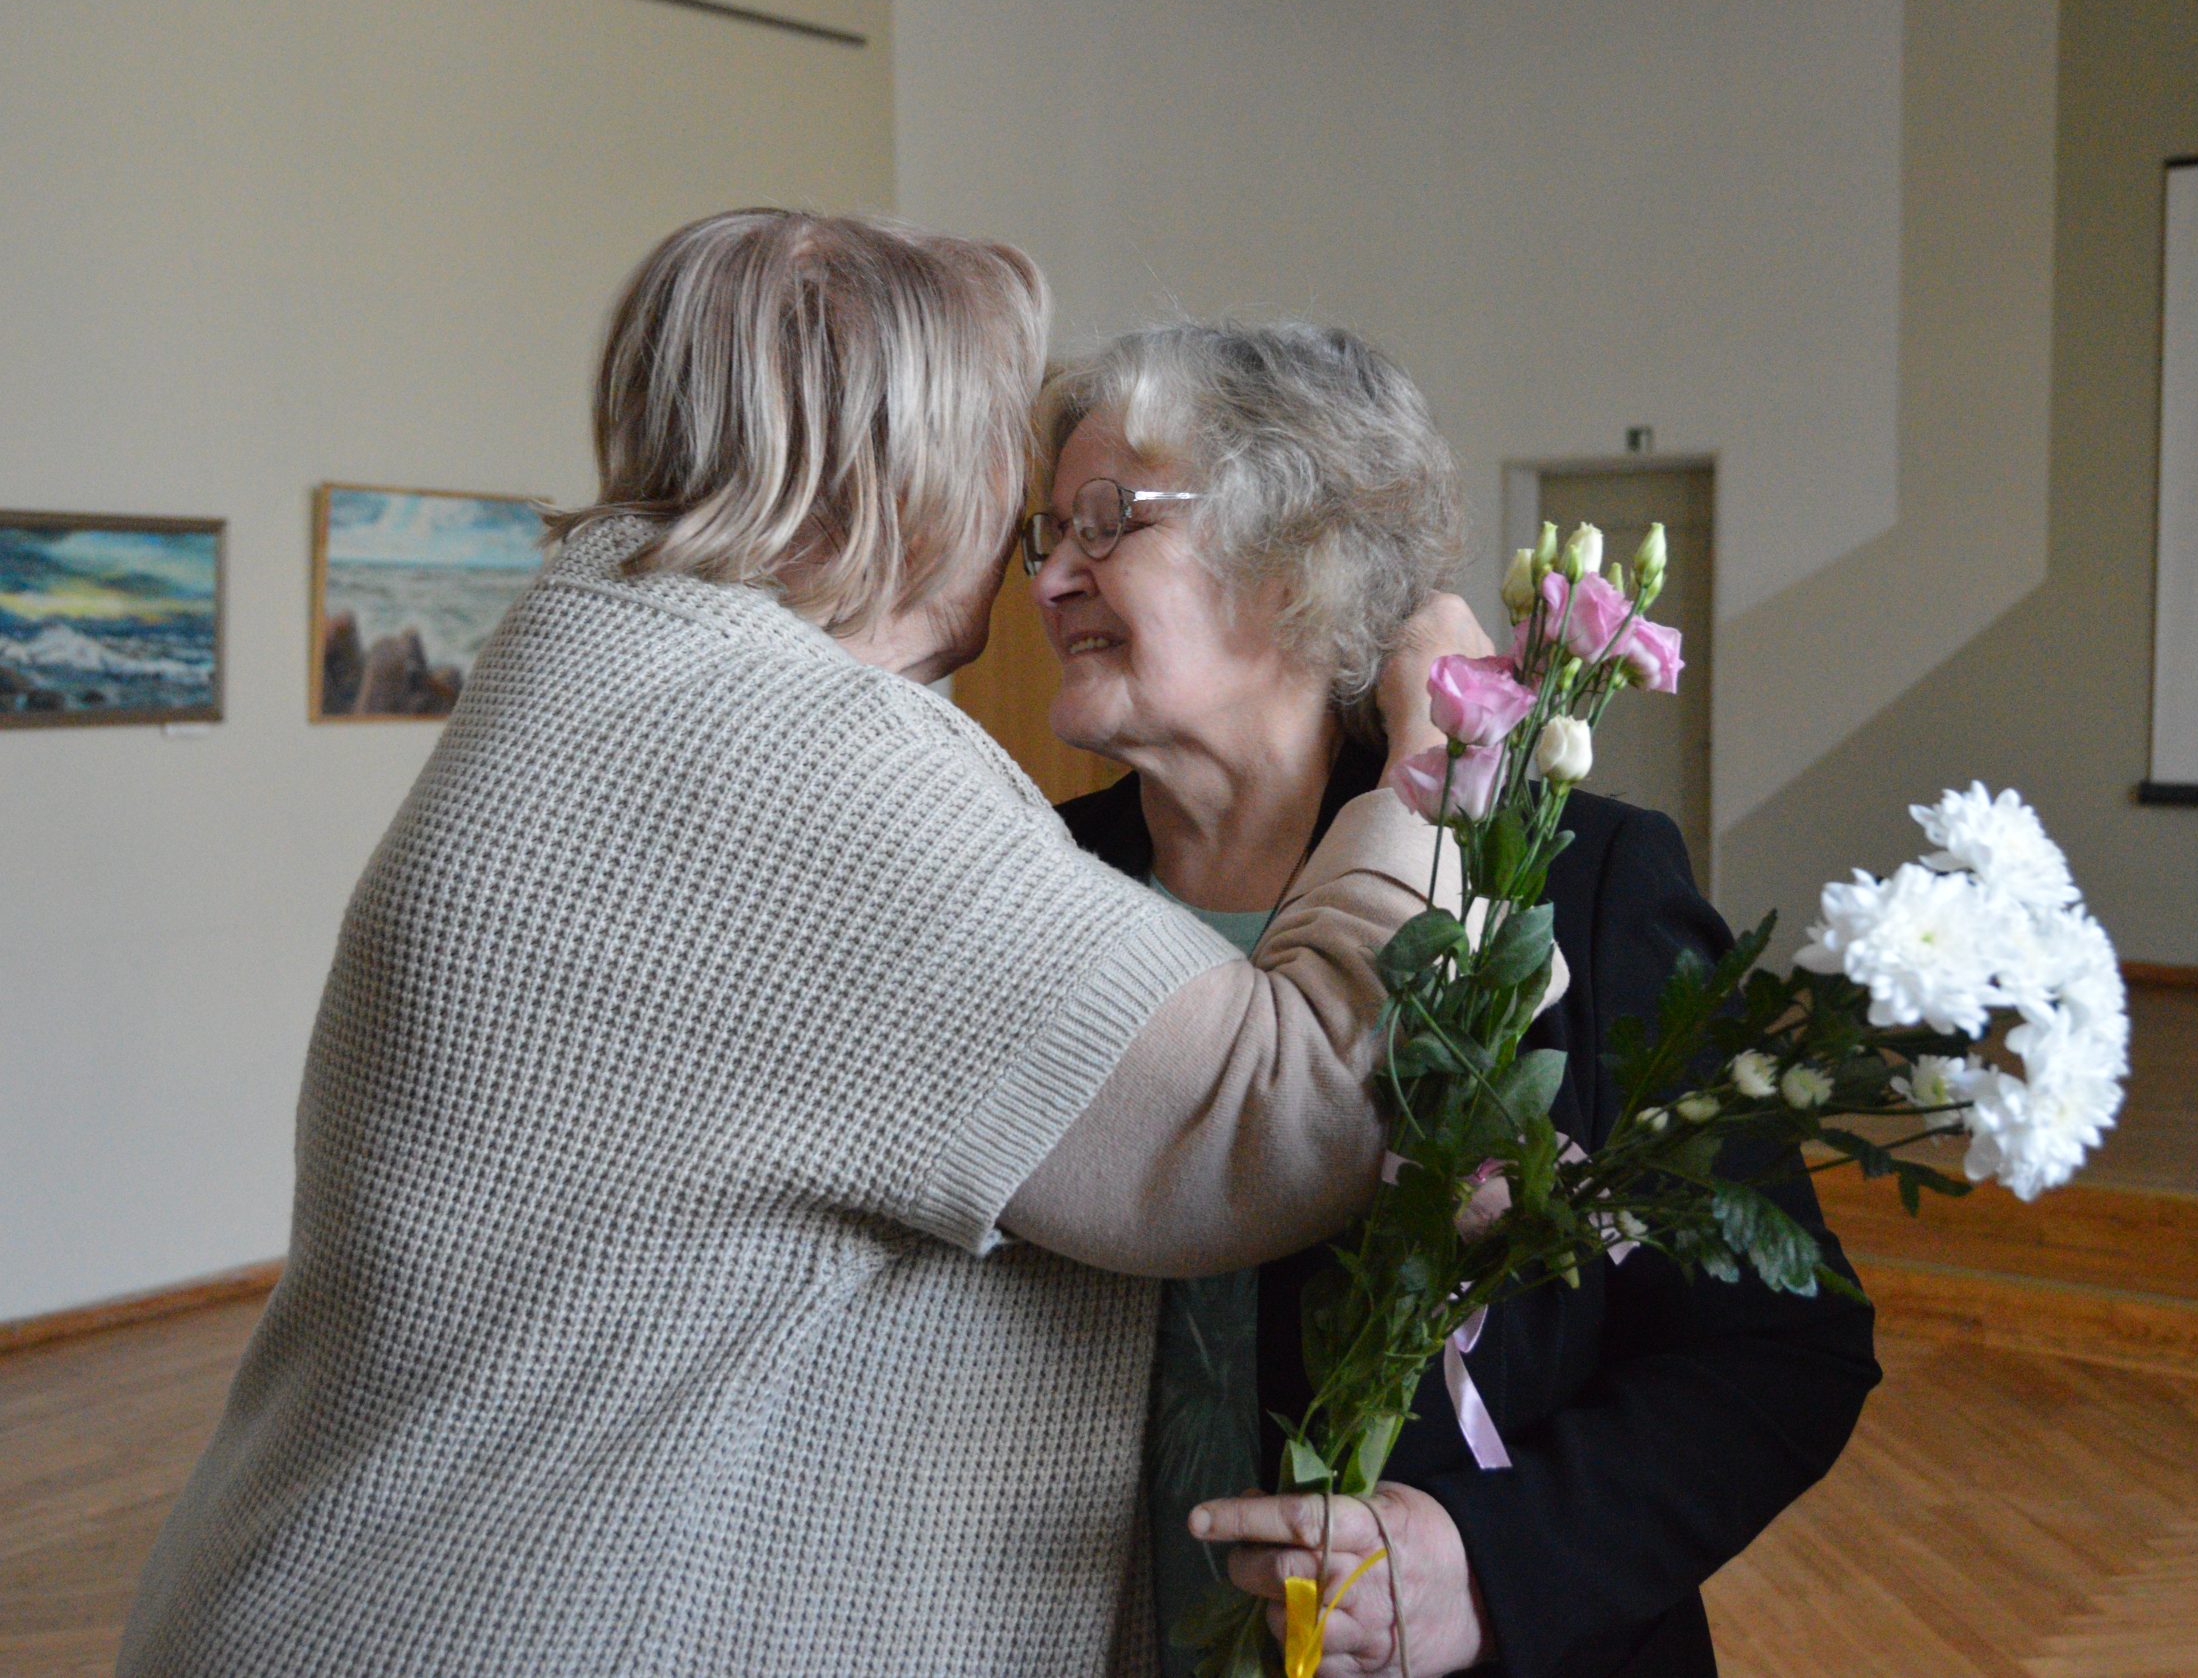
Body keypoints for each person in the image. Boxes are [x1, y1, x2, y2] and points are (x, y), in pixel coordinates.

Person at [118, 214, 1492, 1678]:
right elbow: (1279, 1114)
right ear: (893, 470)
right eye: (1006, 462)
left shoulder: (609, 668)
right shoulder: (780, 752)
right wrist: (1449, 758)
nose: (1026, 543)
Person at [1033, 321, 1883, 1678]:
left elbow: (1782, 1347)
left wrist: (1488, 1565)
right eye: (1045, 533)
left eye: (1105, 521)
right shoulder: (1038, 882)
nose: (1050, 576)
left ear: (1296, 551)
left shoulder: (1575, 878)